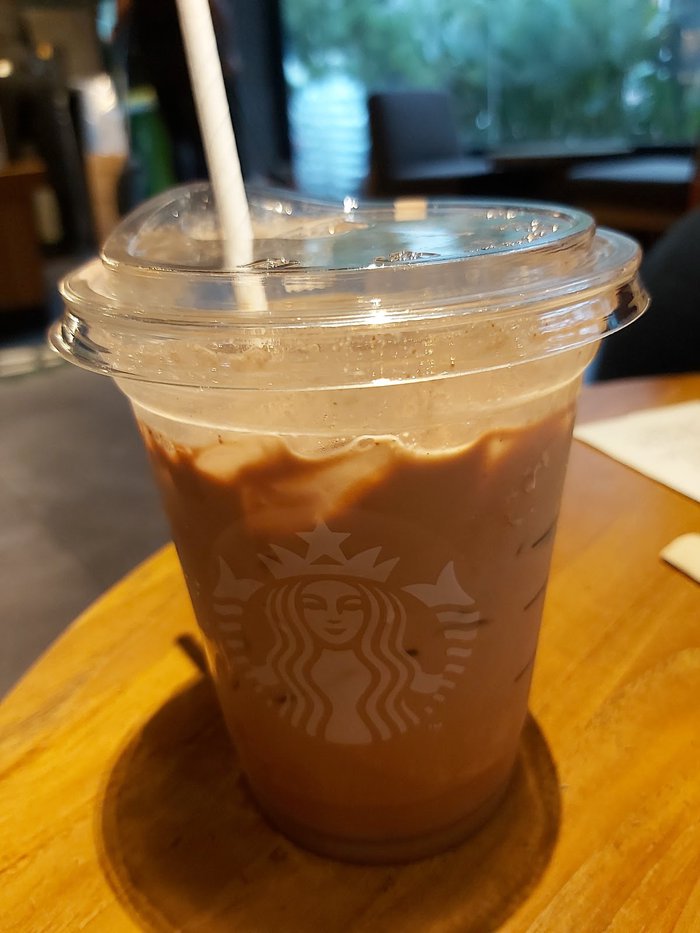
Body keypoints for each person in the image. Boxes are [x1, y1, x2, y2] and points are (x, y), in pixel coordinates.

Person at [114, 0, 245, 182]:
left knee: (202, 144)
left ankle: (203, 190)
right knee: (195, 144)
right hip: (172, 67)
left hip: (176, 66)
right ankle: (197, 193)